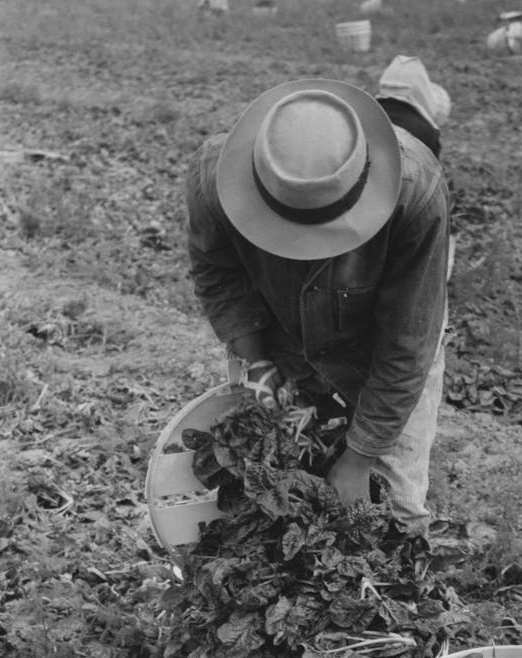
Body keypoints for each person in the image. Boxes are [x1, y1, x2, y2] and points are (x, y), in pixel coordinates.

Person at [185, 78, 451, 537]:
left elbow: (407, 343)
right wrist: (258, 364)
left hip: (379, 348)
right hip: (283, 335)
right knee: (279, 498)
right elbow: (218, 274)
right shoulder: (214, 177)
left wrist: (360, 457)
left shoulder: (416, 193)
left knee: (394, 517)